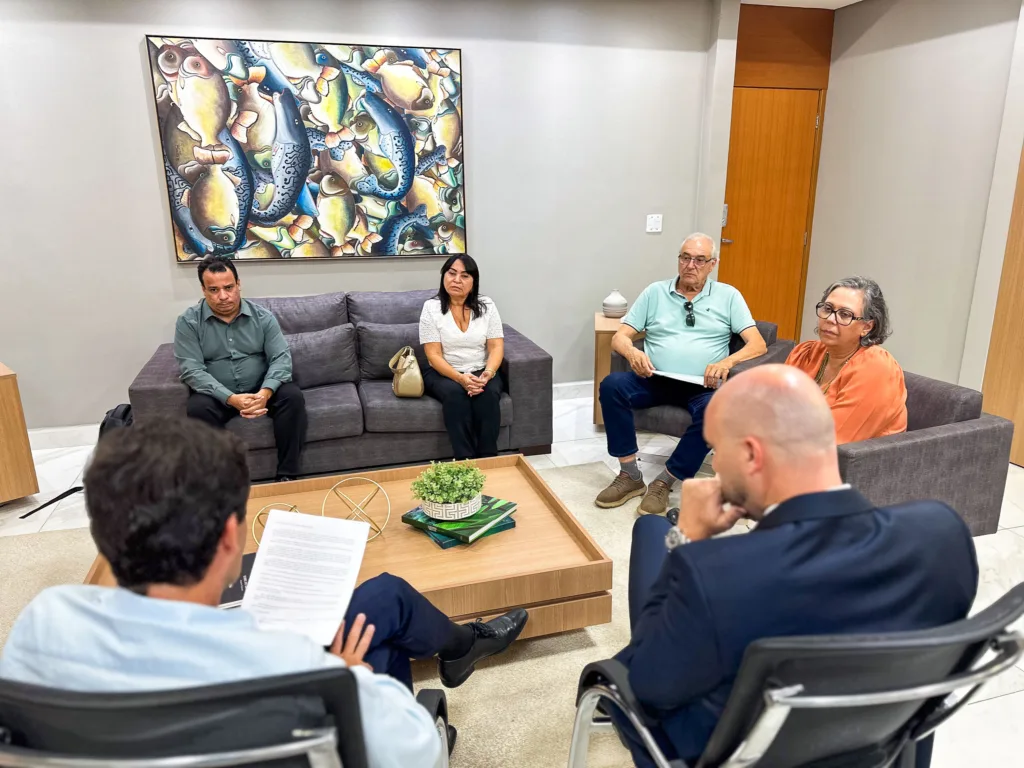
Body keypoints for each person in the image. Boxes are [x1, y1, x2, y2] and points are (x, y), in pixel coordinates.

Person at [0, 418, 528, 768]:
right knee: (380, 630)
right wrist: (353, 679)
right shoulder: (301, 670)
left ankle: (462, 646)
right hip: (327, 715)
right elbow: (418, 755)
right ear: (230, 539)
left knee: (384, 602)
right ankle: (462, 647)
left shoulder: (43, 622)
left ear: (103, 533)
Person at [612, 365, 977, 768]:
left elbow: (646, 686)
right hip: (882, 738)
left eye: (716, 450)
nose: (715, 467)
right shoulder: (942, 532)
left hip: (735, 752)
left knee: (653, 535)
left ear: (751, 455)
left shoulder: (716, 573)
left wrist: (686, 540)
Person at [596, 233, 767, 516]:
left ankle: (666, 481)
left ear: (712, 264)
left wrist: (727, 362)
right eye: (685, 258)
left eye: (699, 260)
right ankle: (629, 475)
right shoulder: (655, 292)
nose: (691, 265)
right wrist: (632, 353)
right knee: (612, 385)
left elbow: (758, 344)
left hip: (703, 387)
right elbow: (619, 337)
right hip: (655, 380)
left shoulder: (728, 296)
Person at [175, 255, 307, 481]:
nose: (223, 296)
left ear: (238, 284)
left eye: (228, 287)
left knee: (292, 396)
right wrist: (231, 398)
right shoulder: (188, 322)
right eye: (214, 290)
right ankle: (223, 482)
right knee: (197, 408)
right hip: (217, 395)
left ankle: (287, 476)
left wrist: (265, 393)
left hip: (261, 390)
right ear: (203, 290)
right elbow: (192, 370)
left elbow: (281, 358)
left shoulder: (263, 317)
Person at [787, 276, 907, 444]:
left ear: (867, 327)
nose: (830, 319)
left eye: (845, 314)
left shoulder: (876, 367)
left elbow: (831, 438)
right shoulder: (805, 353)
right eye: (827, 309)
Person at [419, 255, 505, 460]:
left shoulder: (487, 305)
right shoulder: (431, 308)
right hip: (443, 371)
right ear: (444, 276)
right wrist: (460, 378)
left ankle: (488, 460)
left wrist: (488, 373)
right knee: (456, 396)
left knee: (487, 395)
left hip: (480, 369)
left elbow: (496, 346)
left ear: (474, 281)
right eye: (452, 273)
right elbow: (433, 355)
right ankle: (464, 461)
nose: (456, 280)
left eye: (464, 276)